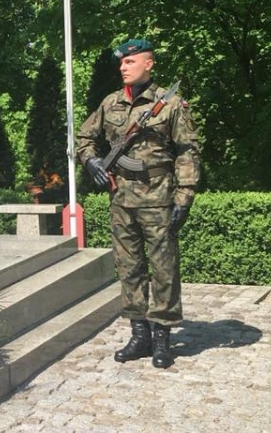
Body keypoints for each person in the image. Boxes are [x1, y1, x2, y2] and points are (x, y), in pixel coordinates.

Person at [76, 38, 200, 369]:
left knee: (164, 268)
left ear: (149, 64)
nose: (123, 67)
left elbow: (187, 151)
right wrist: (92, 162)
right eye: (121, 63)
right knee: (129, 267)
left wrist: (185, 195)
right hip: (120, 198)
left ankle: (161, 338)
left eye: (130, 62)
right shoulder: (111, 103)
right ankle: (139, 334)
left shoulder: (170, 104)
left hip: (158, 197)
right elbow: (84, 138)